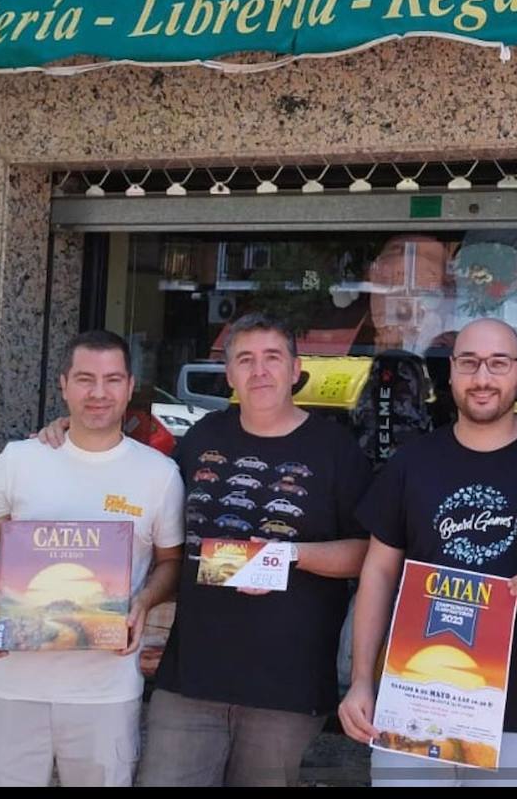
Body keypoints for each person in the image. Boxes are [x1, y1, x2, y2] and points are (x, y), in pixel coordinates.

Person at [39, 312, 372, 786]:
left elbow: (368, 555)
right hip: (190, 676)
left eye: (272, 358)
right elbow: (140, 497)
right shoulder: (202, 436)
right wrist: (66, 431)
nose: (259, 370)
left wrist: (288, 555)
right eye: (245, 360)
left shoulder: (336, 449)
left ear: (296, 369)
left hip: (287, 685)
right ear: (230, 374)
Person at [338, 317, 517, 787]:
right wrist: (362, 680)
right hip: (415, 698)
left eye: (498, 364)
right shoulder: (413, 462)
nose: (483, 378)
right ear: (451, 373)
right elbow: (379, 574)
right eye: (469, 363)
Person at [0, 329, 185, 786]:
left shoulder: (159, 475)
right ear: (63, 385)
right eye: (84, 378)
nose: (99, 392)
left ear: (130, 385)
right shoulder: (20, 460)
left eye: (112, 379)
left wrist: (143, 603)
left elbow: (172, 563)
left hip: (105, 691)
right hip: (11, 684)